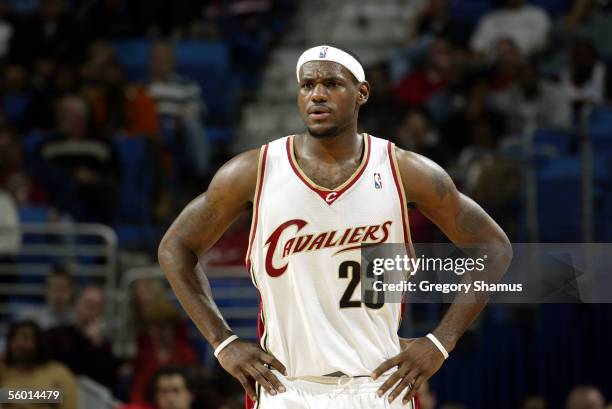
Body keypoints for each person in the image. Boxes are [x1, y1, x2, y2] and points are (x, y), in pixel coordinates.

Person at [158, 45, 512, 408]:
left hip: (378, 387)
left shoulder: (404, 171)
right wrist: (223, 341)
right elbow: (175, 248)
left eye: (331, 83)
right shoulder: (254, 171)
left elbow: (493, 246)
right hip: (287, 388)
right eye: (307, 85)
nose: (317, 94)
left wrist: (441, 341)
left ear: (362, 93)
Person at [46, 285, 118, 388]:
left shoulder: (103, 345)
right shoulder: (56, 334)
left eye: (96, 306)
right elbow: (69, 367)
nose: (91, 310)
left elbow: (106, 380)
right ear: (76, 304)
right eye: (88, 304)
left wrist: (96, 345)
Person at [0, 320, 78, 409]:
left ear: (38, 342)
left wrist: (8, 396)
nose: (19, 343)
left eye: (25, 338)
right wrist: (50, 396)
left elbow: (70, 404)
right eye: (14, 339)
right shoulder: (4, 370)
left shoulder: (59, 372)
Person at [16, 265, 75, 329]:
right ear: (46, 290)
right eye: (54, 289)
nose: (58, 295)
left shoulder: (78, 320)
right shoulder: (32, 319)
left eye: (62, 289)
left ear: (71, 291)